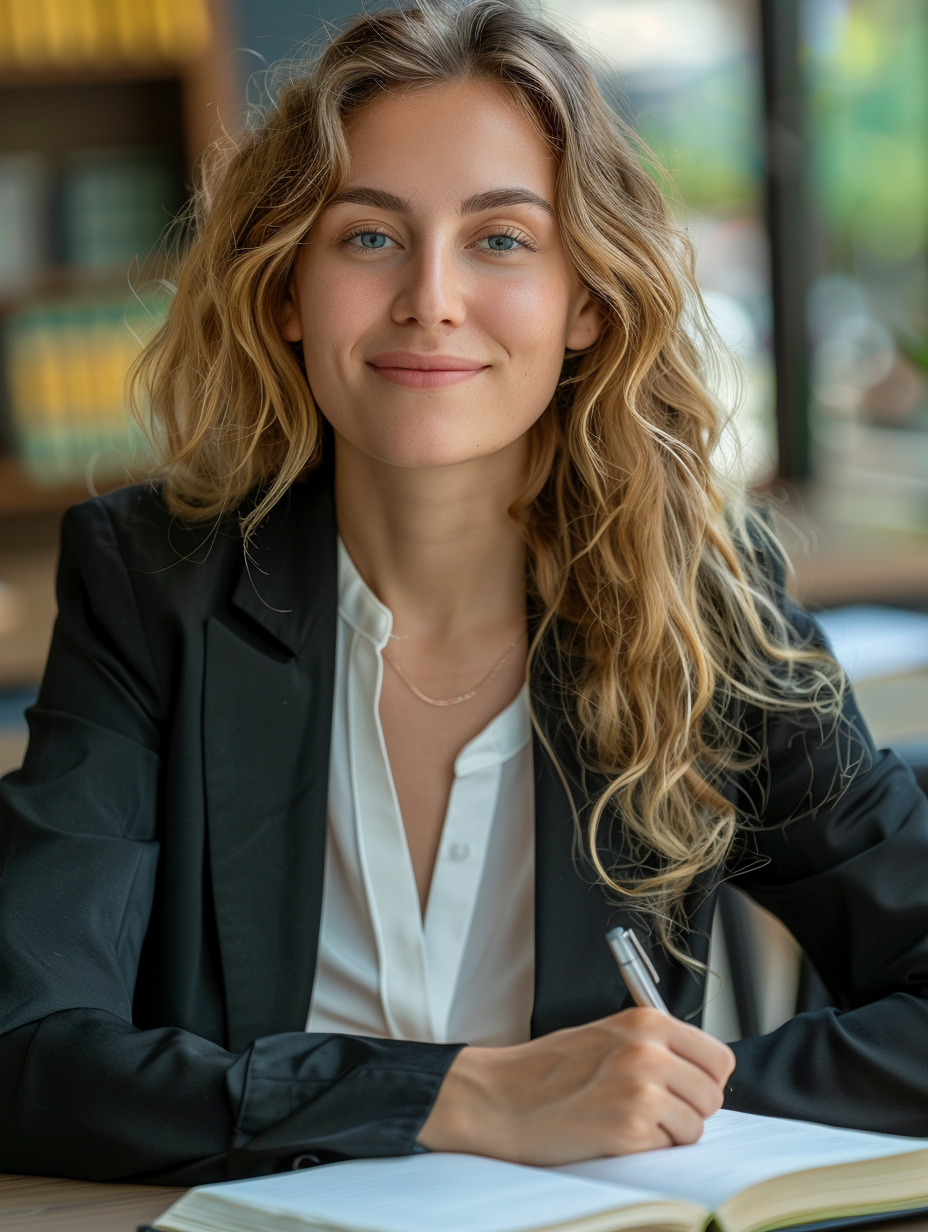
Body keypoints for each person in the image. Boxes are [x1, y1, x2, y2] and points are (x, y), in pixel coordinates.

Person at [2, 0, 928, 1188]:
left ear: (585, 302)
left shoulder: (696, 599)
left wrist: (652, 1094)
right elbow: (26, 1051)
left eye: (500, 240)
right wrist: (456, 1094)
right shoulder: (153, 586)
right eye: (368, 238)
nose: (429, 297)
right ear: (286, 290)